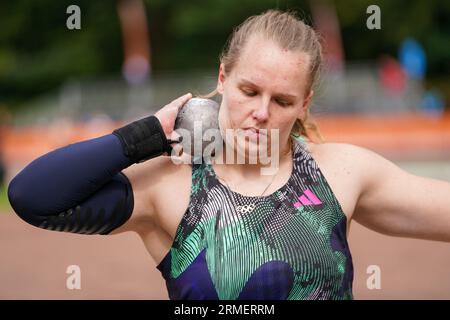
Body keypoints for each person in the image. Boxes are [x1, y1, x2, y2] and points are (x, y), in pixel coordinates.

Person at [7, 10, 450, 300]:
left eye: (282, 101)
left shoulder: (342, 171)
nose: (260, 113)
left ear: (304, 104)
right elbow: (31, 196)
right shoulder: (170, 185)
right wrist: (146, 136)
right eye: (249, 91)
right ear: (223, 77)